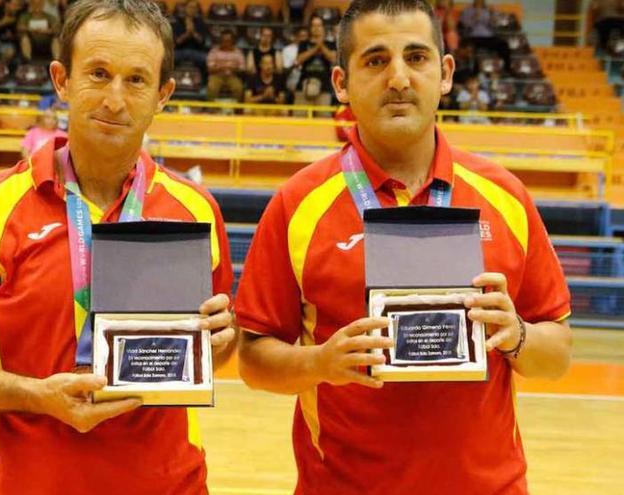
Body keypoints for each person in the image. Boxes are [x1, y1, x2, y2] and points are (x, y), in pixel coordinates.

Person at [235, 2, 572, 494]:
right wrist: (320, 363)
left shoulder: (507, 196)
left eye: (416, 58)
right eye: (375, 60)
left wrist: (515, 333)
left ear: (445, 73)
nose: (398, 79)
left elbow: (559, 354)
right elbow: (253, 360)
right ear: (340, 83)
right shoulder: (297, 203)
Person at [0, 0, 236, 493]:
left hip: (168, 483)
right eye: (98, 74)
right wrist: (36, 396)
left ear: (163, 93)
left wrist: (221, 340)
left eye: (136, 80)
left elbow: (214, 350)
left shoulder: (196, 210)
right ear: (62, 79)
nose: (114, 99)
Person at [294, 15, 336, 107]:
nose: (316, 28)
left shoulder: (330, 44)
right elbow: (298, 60)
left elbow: (333, 59)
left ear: (323, 28)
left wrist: (321, 44)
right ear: (310, 28)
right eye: (314, 25)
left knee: (323, 120)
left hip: (324, 88)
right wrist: (316, 47)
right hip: (303, 87)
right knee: (300, 120)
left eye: (319, 25)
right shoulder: (303, 44)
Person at [206, 29, 245, 102]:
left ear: (232, 41)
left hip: (232, 76)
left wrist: (233, 69)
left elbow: (242, 69)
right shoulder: (214, 51)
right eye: (223, 40)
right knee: (211, 87)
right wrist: (221, 68)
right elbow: (209, 68)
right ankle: (212, 110)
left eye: (228, 40)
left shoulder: (238, 52)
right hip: (216, 76)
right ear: (220, 40)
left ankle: (237, 110)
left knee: (239, 88)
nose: (226, 42)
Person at [171, 0, 208, 76]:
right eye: (190, 7)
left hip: (196, 51)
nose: (192, 10)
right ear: (185, 8)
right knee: (169, 59)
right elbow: (177, 42)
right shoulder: (178, 22)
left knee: (206, 59)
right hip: (180, 51)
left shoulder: (201, 23)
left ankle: (203, 83)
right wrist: (187, 34)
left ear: (197, 10)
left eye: (194, 8)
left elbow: (202, 42)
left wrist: (193, 33)